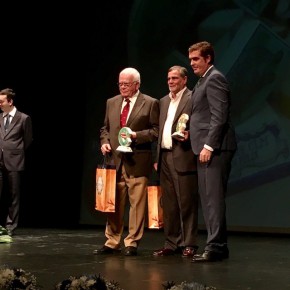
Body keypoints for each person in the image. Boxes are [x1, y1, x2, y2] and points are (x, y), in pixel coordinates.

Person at [94, 67, 159, 256]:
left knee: (137, 205)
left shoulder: (150, 103)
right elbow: (104, 129)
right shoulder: (112, 102)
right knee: (113, 203)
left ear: (136, 84)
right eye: (120, 83)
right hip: (115, 161)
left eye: (126, 84)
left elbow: (156, 131)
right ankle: (112, 240)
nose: (122, 87)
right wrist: (105, 142)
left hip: (137, 161)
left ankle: (132, 242)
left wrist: (136, 135)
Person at [187, 41, 237, 262]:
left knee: (213, 199)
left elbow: (219, 116)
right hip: (204, 146)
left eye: (196, 59)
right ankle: (217, 245)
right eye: (190, 60)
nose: (192, 64)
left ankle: (216, 246)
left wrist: (208, 145)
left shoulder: (215, 78)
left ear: (208, 58)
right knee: (208, 199)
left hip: (214, 149)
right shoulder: (203, 80)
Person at [152, 66, 199, 257]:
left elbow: (200, 124)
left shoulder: (192, 97)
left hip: (183, 155)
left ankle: (189, 243)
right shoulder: (163, 101)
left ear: (184, 80)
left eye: (175, 78)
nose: (171, 82)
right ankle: (171, 243)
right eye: (169, 78)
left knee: (186, 201)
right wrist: (157, 158)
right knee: (169, 204)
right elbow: (159, 129)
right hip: (164, 156)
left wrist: (191, 135)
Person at [0, 88, 33, 236]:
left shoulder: (23, 118)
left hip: (14, 160)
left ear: (10, 101)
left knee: (14, 194)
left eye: (2, 101)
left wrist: (15, 151)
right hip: (0, 159)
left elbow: (27, 139)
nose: (0, 104)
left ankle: (10, 226)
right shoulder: (0, 117)